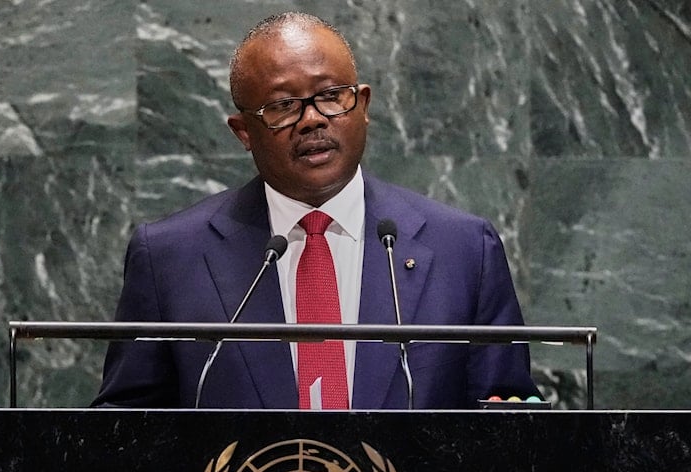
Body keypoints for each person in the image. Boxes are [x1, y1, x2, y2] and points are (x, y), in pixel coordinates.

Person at [92, 12, 539, 409]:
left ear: (362, 105)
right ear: (244, 132)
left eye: (331, 96)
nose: (312, 119)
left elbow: (509, 431)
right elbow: (122, 437)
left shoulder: (463, 250)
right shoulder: (171, 257)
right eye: (283, 106)